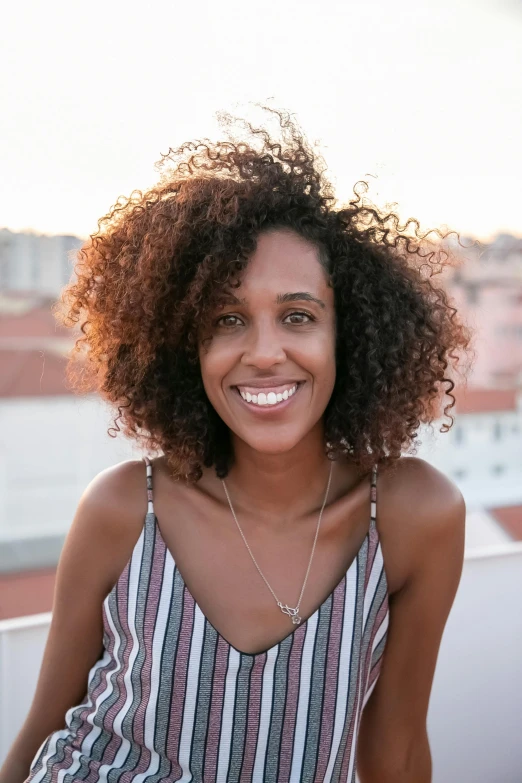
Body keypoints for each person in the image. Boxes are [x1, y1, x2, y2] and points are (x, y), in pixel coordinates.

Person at [0, 108, 471, 783]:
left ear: (352, 332)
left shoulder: (412, 515)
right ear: (184, 345)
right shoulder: (125, 508)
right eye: (227, 319)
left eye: (298, 315)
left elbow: (394, 754)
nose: (264, 351)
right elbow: (42, 733)